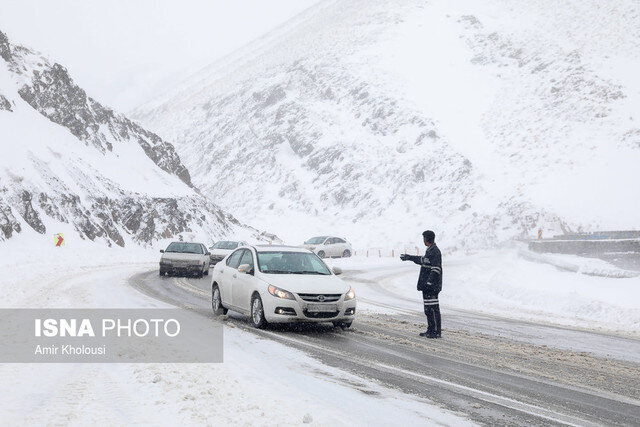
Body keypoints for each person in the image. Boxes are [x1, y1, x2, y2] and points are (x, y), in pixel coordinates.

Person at [400, 230, 442, 338]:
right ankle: (430, 329)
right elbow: (422, 260)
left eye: (424, 238)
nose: (423, 240)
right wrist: (409, 257)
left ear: (427, 239)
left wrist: (429, 282)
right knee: (428, 309)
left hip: (432, 286)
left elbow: (436, 269)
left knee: (433, 309)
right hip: (427, 286)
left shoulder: (435, 251)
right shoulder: (430, 251)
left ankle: (436, 331)